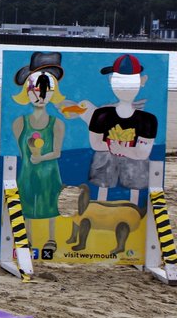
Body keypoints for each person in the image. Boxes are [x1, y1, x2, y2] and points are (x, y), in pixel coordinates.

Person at [63, 53, 158, 205]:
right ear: (110, 81)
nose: (124, 87)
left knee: (137, 165)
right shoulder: (101, 115)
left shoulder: (148, 120)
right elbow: (96, 144)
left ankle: (133, 206)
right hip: (107, 160)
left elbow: (142, 153)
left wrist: (121, 149)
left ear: (142, 81)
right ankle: (101, 205)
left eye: (130, 82)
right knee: (104, 159)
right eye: (119, 81)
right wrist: (122, 148)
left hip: (134, 163)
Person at [11, 53, 67, 258]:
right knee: (27, 202)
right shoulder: (20, 123)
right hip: (28, 172)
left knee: (50, 204)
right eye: (36, 90)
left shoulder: (57, 124)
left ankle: (51, 239)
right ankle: (28, 239)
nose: (41, 95)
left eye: (46, 90)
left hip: (49, 172)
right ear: (27, 92)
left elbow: (57, 152)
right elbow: (21, 151)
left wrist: (41, 158)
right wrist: (31, 160)